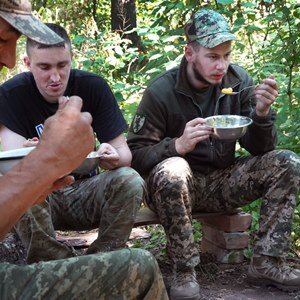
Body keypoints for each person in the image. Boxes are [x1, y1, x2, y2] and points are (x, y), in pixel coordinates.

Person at [127, 8, 300, 299]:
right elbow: (134, 155)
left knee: (287, 162)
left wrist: (261, 113)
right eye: (213, 56)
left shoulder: (238, 81)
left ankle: (267, 262)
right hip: (175, 189)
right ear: (190, 53)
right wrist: (176, 146)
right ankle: (184, 270)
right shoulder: (161, 92)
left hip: (222, 180)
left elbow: (261, 149)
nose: (221, 65)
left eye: (226, 55)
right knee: (174, 168)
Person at [0, 1, 169, 299]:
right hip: (43, 195)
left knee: (129, 178)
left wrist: (110, 155)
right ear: (29, 64)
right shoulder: (11, 95)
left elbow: (124, 153)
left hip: (84, 188)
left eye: (62, 66)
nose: (55, 77)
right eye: (45, 67)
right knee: (27, 189)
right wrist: (39, 154)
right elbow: (14, 167)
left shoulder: (92, 87)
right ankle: (55, 264)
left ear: (72, 59)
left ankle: (103, 260)